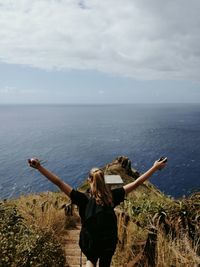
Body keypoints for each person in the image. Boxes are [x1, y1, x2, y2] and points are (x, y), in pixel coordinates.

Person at [28, 157, 167, 267]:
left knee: (91, 260)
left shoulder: (82, 199)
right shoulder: (112, 197)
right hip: (108, 242)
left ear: (89, 180)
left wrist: (39, 167)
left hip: (90, 242)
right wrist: (154, 167)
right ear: (103, 180)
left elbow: (58, 182)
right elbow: (137, 182)